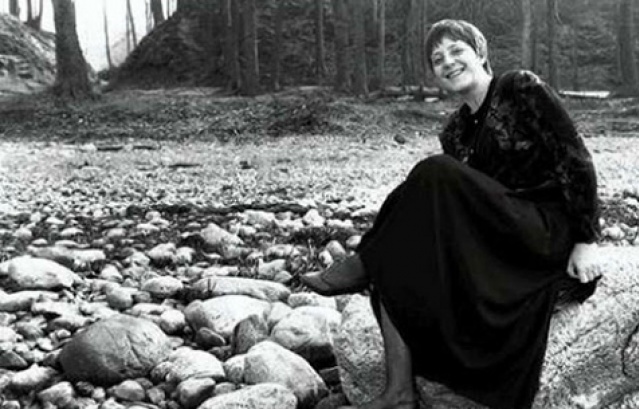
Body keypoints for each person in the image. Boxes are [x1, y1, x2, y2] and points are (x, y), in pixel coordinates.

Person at [301, 19, 602, 409]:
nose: (448, 62)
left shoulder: (519, 88)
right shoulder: (455, 131)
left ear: (481, 53)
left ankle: (364, 262)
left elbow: (575, 159)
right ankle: (398, 391)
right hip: (499, 238)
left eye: (457, 50)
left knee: (434, 171)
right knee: (400, 251)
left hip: (544, 229)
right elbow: (461, 208)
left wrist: (586, 240)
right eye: (438, 59)